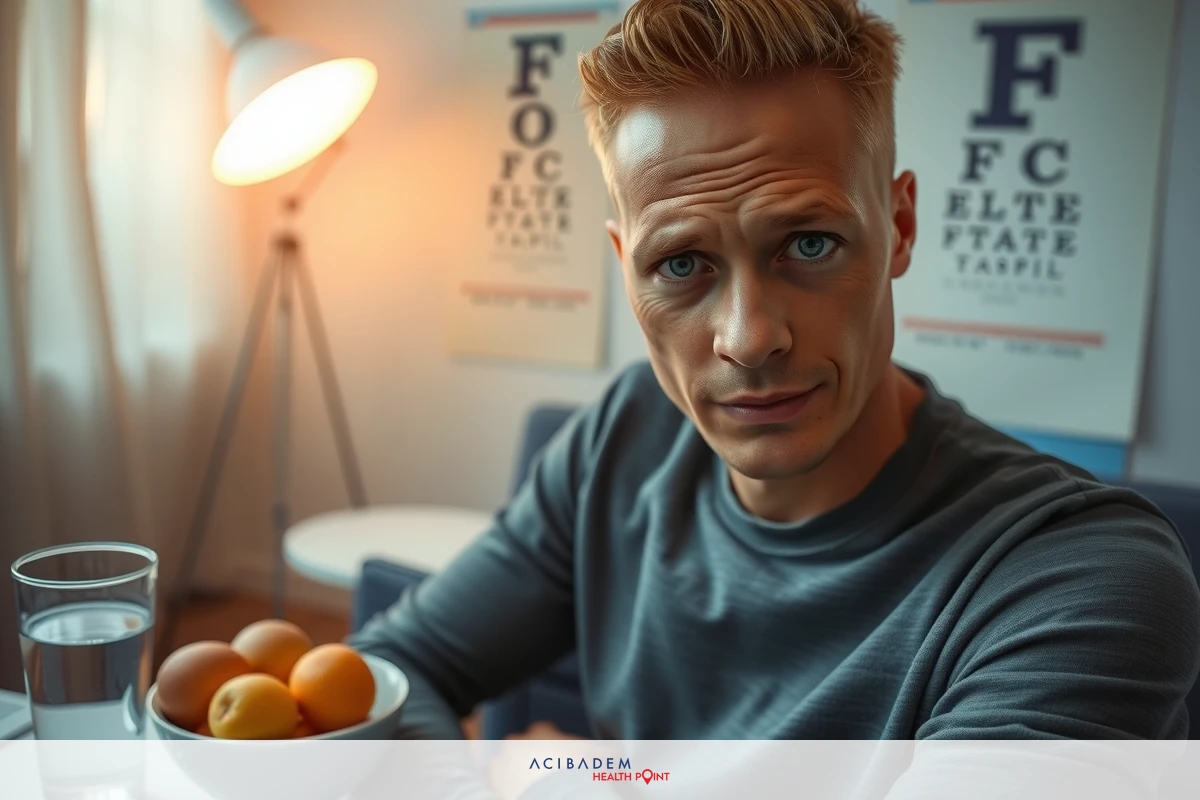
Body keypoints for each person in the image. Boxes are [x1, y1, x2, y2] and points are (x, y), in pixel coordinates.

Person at [351, 0, 1200, 740]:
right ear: (625, 268)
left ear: (898, 226)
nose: (748, 338)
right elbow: (388, 671)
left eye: (809, 243)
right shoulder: (627, 436)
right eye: (681, 264)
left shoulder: (1072, 577)